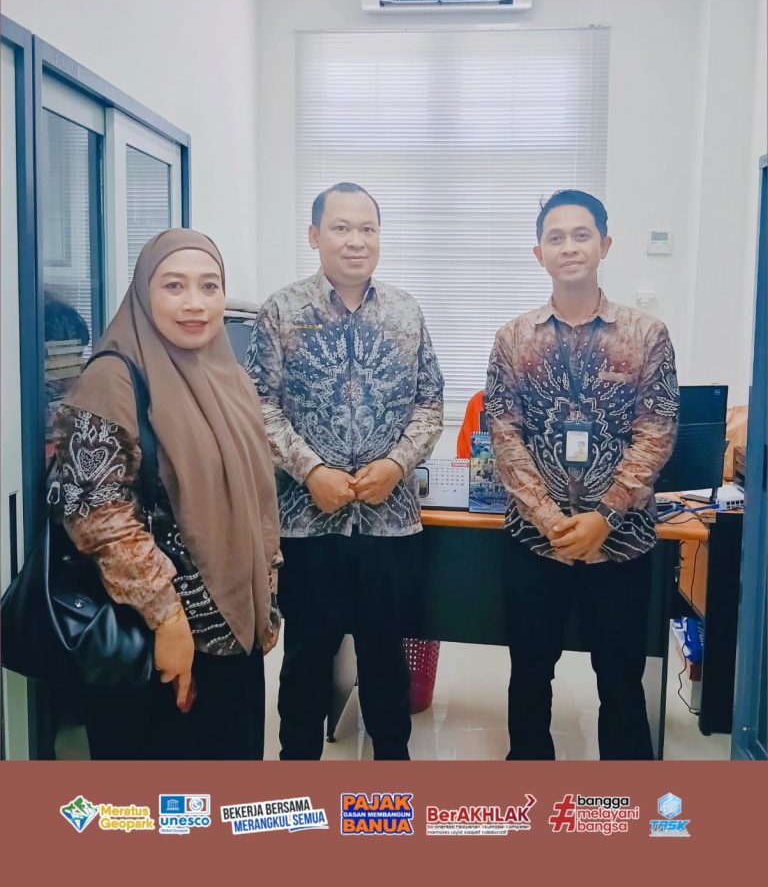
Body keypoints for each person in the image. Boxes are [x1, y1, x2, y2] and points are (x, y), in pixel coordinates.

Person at [53, 229, 281, 760]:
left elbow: (256, 500)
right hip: (157, 640)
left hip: (233, 634)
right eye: (174, 286)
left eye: (209, 286)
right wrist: (168, 619)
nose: (194, 303)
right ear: (143, 293)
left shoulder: (230, 376)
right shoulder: (112, 380)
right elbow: (98, 516)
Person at [246, 181, 444, 760]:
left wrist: (396, 463)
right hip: (308, 525)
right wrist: (311, 471)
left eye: (367, 229)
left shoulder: (406, 312)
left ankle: (392, 781)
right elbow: (259, 405)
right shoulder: (282, 312)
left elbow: (430, 404)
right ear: (315, 236)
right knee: (306, 662)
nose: (355, 240)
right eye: (341, 228)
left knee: (386, 661)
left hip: (390, 524)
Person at [485, 189, 679, 760]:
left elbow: (657, 430)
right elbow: (505, 435)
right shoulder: (513, 339)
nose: (569, 247)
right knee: (529, 677)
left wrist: (604, 515)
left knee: (620, 682)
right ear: (538, 253)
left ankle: (624, 803)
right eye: (555, 237)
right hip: (533, 543)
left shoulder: (646, 335)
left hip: (621, 543)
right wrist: (549, 519)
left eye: (581, 235)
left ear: (605, 245)